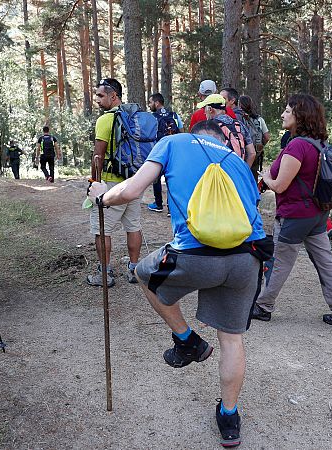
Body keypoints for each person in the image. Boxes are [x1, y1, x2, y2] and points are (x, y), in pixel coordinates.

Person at [88, 120, 267, 448]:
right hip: (247, 259)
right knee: (231, 340)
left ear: (197, 134)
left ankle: (187, 341)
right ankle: (229, 417)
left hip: (195, 254)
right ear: (220, 138)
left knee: (143, 274)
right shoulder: (237, 162)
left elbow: (130, 190)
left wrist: (102, 196)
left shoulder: (174, 142)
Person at [252, 93, 332, 327]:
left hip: (295, 216)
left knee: (279, 261)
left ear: (299, 116)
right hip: (318, 214)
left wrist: (266, 177)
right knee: (326, 261)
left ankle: (263, 306)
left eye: (287, 111)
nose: (282, 114)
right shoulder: (320, 143)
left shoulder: (297, 146)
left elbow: (279, 185)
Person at [87, 78, 143, 287]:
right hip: (134, 182)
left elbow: (98, 156)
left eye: (101, 95)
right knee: (133, 226)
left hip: (111, 184)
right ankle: (134, 269)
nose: (97, 99)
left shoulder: (106, 120)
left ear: (114, 96)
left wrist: (94, 182)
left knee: (102, 229)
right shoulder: (135, 117)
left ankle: (105, 274)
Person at [147, 92, 183, 213]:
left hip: (159, 151)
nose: (149, 105)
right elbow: (181, 131)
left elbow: (149, 135)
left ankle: (158, 204)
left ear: (157, 103)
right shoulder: (174, 115)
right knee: (171, 179)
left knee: (156, 177)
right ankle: (170, 208)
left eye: (150, 102)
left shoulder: (152, 117)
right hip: (174, 151)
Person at [199, 94, 257, 169]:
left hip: (219, 174)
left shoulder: (209, 127)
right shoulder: (239, 124)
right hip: (237, 172)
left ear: (210, 109)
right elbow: (252, 153)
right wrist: (244, 171)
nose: (204, 113)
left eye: (204, 109)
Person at [237, 94, 271, 175]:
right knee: (253, 175)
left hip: (244, 152)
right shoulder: (259, 119)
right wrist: (260, 145)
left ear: (240, 104)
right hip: (256, 151)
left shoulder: (238, 118)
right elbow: (267, 137)